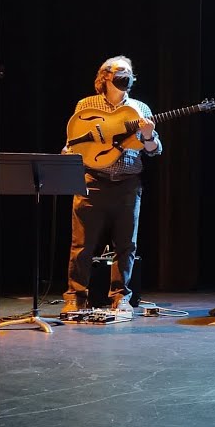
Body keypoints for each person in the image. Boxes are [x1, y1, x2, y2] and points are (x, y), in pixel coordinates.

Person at [61, 55, 162, 315]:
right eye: (119, 71)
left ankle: (121, 297)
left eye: (128, 72)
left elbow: (154, 150)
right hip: (92, 181)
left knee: (126, 246)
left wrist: (149, 135)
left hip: (127, 184)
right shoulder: (87, 104)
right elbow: (74, 140)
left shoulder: (141, 108)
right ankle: (76, 295)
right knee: (82, 244)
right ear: (105, 76)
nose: (124, 75)